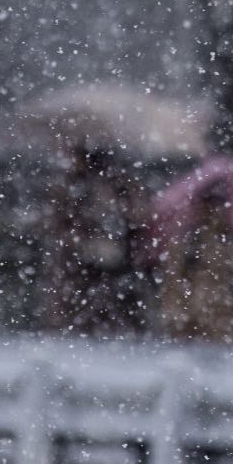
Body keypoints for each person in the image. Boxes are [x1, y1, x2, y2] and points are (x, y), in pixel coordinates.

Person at [40, 142, 149, 334]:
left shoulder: (114, 183)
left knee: (97, 305)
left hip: (110, 260)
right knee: (88, 305)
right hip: (91, 260)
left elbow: (138, 215)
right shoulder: (80, 185)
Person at [156, 178, 233, 344]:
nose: (216, 213)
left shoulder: (231, 240)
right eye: (212, 207)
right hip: (194, 309)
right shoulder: (190, 237)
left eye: (219, 207)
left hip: (219, 312)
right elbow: (174, 274)